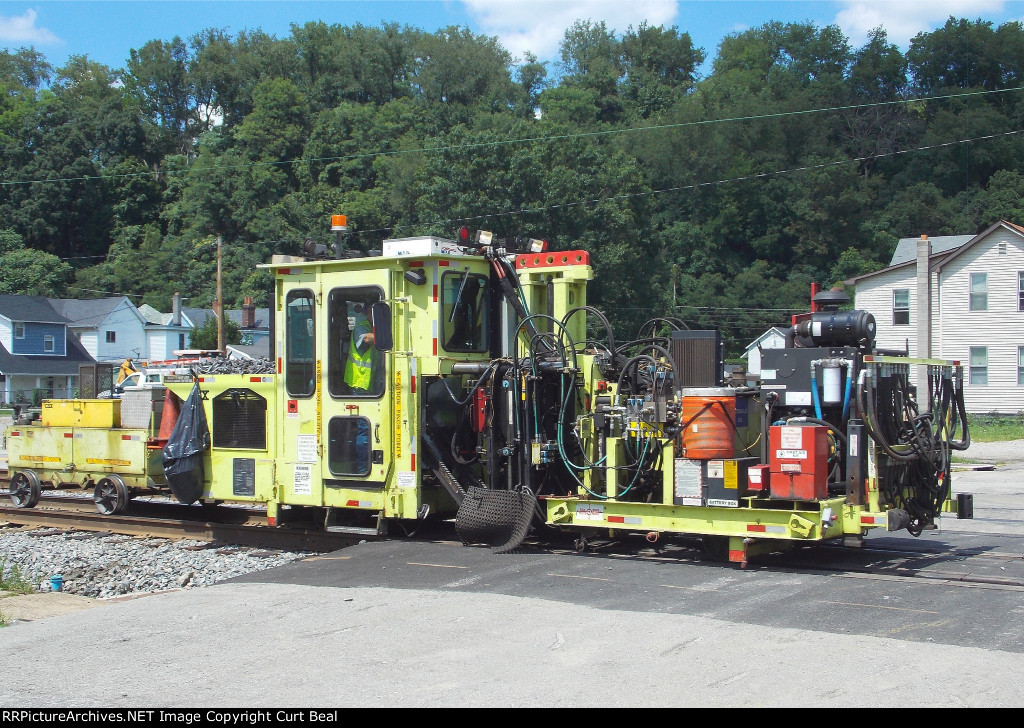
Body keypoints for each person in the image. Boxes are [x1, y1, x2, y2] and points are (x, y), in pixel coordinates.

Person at [344, 303, 378, 394]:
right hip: (358, 382)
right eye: (374, 312)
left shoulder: (371, 328)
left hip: (366, 383)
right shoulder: (361, 327)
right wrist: (386, 337)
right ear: (368, 312)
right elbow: (366, 338)